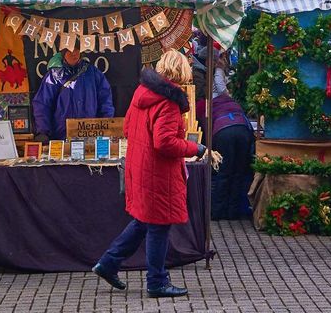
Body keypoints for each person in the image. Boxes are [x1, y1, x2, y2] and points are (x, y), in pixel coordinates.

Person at [93, 50, 206, 298]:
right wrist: (194, 147)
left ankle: (109, 262)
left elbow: (127, 128)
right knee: (159, 226)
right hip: (158, 173)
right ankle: (157, 282)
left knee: (144, 221)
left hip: (140, 167)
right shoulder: (169, 101)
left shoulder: (141, 93)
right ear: (182, 72)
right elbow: (164, 142)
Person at [31, 46, 115, 142]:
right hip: (62, 137)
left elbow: (106, 102)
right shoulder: (54, 75)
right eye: (69, 50)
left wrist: (105, 127)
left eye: (76, 49)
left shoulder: (94, 73)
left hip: (91, 136)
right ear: (63, 53)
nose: (73, 53)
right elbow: (42, 104)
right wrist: (43, 132)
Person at [210, 90, 254, 220]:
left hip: (223, 132)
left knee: (223, 172)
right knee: (238, 173)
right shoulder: (235, 104)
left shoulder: (212, 105)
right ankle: (233, 212)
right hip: (243, 130)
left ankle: (217, 212)